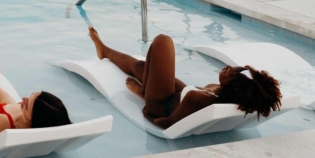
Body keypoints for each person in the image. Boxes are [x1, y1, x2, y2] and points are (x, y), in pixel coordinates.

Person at [87, 27, 281, 128]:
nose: (229, 67)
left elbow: (166, 123)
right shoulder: (225, 94)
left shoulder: (199, 98)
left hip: (160, 104)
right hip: (177, 96)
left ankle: (144, 89)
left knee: (162, 41)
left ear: (233, 85)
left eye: (233, 72)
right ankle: (104, 50)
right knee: (142, 67)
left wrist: (147, 109)